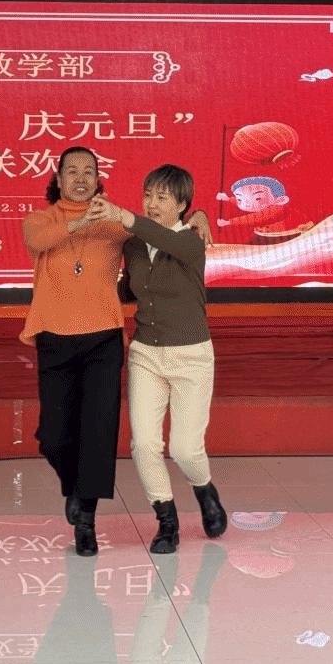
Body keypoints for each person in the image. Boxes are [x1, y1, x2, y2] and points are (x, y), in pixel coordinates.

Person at [89, 164, 228, 554]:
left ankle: (204, 489)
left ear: (182, 205)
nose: (151, 203)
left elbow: (164, 238)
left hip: (191, 356)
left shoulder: (192, 240)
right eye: (147, 195)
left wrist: (124, 216)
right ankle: (167, 521)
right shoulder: (134, 245)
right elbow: (129, 290)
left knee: (185, 449)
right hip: (146, 354)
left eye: (162, 197)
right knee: (145, 444)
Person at [21, 146, 132, 557]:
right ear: (59, 178)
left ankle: (86, 520)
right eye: (72, 171)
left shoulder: (115, 223)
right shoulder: (40, 220)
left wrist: (199, 215)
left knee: (98, 431)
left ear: (99, 178)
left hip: (103, 338)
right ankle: (73, 486)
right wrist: (83, 220)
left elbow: (158, 230)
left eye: (89, 171)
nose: (81, 178)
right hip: (54, 336)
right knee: (53, 436)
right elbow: (40, 241)